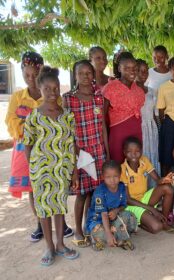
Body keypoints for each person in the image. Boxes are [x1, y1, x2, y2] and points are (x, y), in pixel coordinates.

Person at [5, 52, 73, 242]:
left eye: (34, 75)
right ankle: (40, 225)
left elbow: (59, 120)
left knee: (55, 186)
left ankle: (62, 225)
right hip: (27, 150)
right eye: (26, 75)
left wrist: (37, 126)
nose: (31, 79)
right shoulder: (18, 96)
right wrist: (31, 128)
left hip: (53, 149)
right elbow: (10, 121)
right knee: (34, 188)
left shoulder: (53, 96)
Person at [23, 66, 79, 266]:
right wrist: (33, 171)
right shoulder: (34, 116)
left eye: (55, 88)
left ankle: (61, 245)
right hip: (42, 171)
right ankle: (49, 247)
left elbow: (72, 144)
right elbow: (27, 145)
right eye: (47, 89)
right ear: (40, 89)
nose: (52, 92)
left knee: (58, 208)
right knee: (44, 210)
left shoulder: (67, 115)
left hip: (61, 171)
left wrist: (73, 172)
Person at [63, 60, 109, 247]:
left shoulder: (99, 96)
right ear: (75, 75)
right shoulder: (68, 98)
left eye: (89, 73)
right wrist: (74, 155)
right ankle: (78, 231)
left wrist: (106, 150)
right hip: (80, 152)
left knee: (94, 192)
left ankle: (88, 225)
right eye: (81, 73)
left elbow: (103, 126)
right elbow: (67, 131)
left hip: (98, 151)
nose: (85, 76)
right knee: (81, 193)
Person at [121, 136, 174, 233]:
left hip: (144, 198)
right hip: (132, 204)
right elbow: (128, 199)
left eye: (137, 151)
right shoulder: (123, 170)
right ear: (124, 152)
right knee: (156, 227)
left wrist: (164, 180)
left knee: (168, 188)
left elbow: (157, 180)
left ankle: (164, 221)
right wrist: (152, 209)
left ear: (141, 151)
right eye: (130, 151)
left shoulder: (144, 160)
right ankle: (139, 223)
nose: (134, 154)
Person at [103, 51, 145, 163]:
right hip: (118, 136)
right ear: (119, 69)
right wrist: (106, 148)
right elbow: (102, 119)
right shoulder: (109, 88)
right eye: (127, 68)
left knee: (135, 167)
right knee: (118, 169)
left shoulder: (139, 90)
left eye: (134, 67)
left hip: (137, 134)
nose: (132, 71)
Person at [86, 161, 137, 251]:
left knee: (130, 215)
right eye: (108, 177)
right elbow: (104, 215)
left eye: (115, 176)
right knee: (100, 232)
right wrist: (109, 234)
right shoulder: (100, 192)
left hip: (113, 218)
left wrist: (117, 210)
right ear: (103, 177)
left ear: (120, 175)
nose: (112, 180)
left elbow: (123, 205)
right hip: (98, 221)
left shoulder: (121, 187)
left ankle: (115, 236)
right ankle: (111, 238)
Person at [136, 58, 160, 185]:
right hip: (138, 129)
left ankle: (152, 190)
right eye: (139, 71)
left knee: (152, 157)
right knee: (139, 158)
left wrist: (159, 132)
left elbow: (156, 114)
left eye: (145, 71)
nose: (143, 74)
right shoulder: (130, 91)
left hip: (151, 129)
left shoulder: (151, 91)